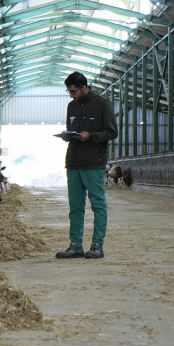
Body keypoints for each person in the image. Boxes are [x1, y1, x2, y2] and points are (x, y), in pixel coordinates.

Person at [55, 72, 117, 260]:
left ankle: (97, 246)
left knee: (98, 205)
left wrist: (91, 136)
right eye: (69, 91)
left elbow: (112, 132)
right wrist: (68, 135)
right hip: (73, 162)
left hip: (94, 163)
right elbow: (72, 128)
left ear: (83, 87)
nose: (71, 95)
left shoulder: (102, 104)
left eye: (73, 91)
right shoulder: (71, 106)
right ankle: (75, 246)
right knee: (75, 206)